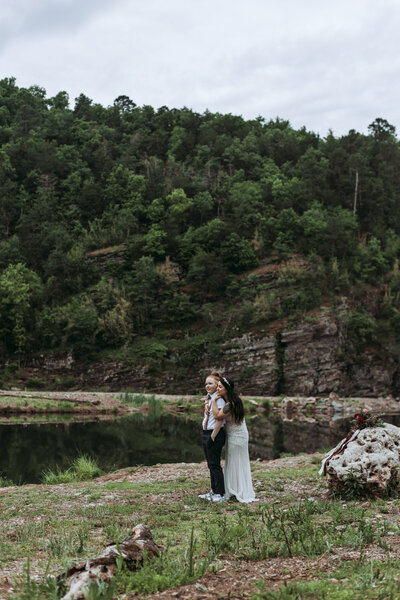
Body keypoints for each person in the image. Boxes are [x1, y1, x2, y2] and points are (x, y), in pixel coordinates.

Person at [211, 376, 256, 503]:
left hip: (236, 437)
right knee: (234, 461)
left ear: (227, 389)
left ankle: (236, 489)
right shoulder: (234, 401)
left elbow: (217, 416)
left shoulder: (230, 405)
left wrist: (213, 401)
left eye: (220, 387)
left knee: (235, 461)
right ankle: (235, 487)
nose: (217, 389)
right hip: (238, 434)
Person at [199, 371, 226, 502]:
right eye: (206, 384)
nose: (207, 386)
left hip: (214, 434)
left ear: (217, 385)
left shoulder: (219, 399)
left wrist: (213, 436)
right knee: (210, 464)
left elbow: (219, 420)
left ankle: (220, 493)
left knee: (215, 464)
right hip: (206, 433)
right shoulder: (210, 397)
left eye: (210, 383)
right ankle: (213, 490)